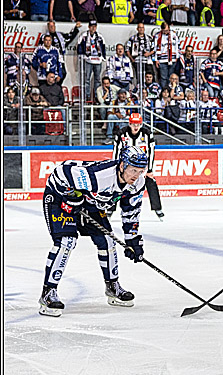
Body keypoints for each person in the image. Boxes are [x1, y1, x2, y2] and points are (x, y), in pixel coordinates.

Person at [39, 146, 148, 316]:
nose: (136, 175)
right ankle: (48, 292)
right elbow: (61, 172)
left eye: (140, 171)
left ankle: (112, 286)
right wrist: (71, 197)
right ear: (122, 166)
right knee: (67, 242)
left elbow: (131, 212)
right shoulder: (100, 176)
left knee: (107, 240)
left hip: (90, 204)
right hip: (59, 199)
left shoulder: (137, 183)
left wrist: (132, 240)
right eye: (133, 170)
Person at [113, 113, 163, 219]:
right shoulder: (121, 133)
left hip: (142, 167)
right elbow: (116, 151)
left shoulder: (147, 134)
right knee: (117, 186)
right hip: (126, 167)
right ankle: (110, 209)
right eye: (133, 124)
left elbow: (151, 152)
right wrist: (116, 166)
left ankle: (157, 209)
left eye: (138, 124)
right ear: (129, 124)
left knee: (151, 183)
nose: (136, 127)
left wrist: (149, 170)